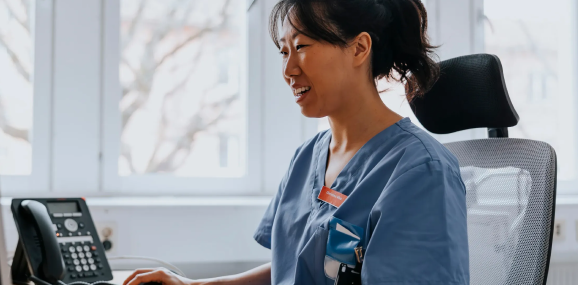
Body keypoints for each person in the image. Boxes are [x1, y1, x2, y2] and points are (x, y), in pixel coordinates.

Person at [123, 0, 469, 284]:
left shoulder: (421, 171)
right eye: (283, 52)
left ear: (359, 48)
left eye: (301, 47)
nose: (288, 70)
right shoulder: (308, 157)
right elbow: (295, 270)